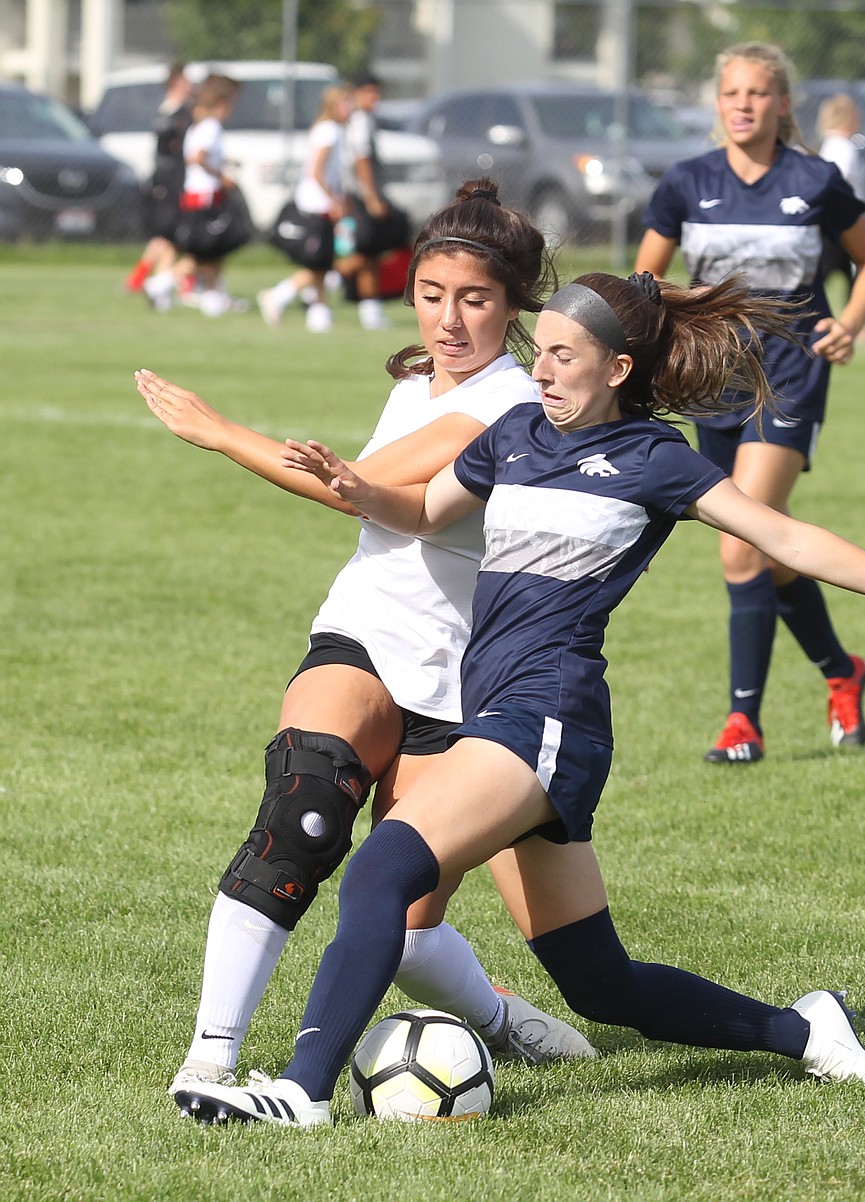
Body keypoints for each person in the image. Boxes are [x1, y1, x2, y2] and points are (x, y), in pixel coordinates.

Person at [173, 269, 865, 1126]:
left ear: (616, 370)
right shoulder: (514, 434)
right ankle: (805, 1032)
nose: (538, 372)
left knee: (382, 872)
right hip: (502, 721)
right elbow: (425, 510)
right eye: (540, 355)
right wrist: (357, 489)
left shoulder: (656, 460)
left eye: (562, 358)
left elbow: (785, 534)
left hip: (547, 717)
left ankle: (303, 1092)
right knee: (601, 985)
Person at [137, 179, 598, 1106]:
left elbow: (361, 486)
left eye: (474, 300)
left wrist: (220, 432)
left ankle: (500, 1020)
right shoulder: (415, 381)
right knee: (302, 816)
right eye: (432, 296)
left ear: (512, 306)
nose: (450, 320)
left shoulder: (508, 402)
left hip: (463, 676)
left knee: (409, 931)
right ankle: (212, 1058)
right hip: (364, 630)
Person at [633, 42, 865, 765]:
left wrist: (850, 322)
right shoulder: (687, 182)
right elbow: (644, 282)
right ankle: (843, 671)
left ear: (781, 104)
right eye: (731, 93)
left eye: (757, 93)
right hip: (713, 377)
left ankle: (742, 722)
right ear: (717, 104)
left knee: (741, 545)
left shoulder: (815, 179)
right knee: (770, 545)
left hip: (791, 372)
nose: (743, 104)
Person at [258, 85, 353, 333]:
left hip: (319, 202)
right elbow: (317, 171)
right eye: (345, 103)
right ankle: (278, 295)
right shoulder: (329, 131)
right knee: (318, 264)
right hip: (318, 204)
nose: (349, 109)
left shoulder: (327, 130)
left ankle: (319, 313)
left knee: (323, 262)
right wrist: (335, 200)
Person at [161, 73, 245, 318]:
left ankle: (214, 296)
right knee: (208, 251)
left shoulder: (198, 126)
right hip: (206, 197)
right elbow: (198, 157)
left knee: (213, 251)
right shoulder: (211, 127)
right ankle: (163, 284)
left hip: (197, 195)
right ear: (220, 104)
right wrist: (221, 176)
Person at [336, 70, 411, 332]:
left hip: (360, 197)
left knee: (369, 254)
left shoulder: (360, 119)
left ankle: (371, 310)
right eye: (369, 92)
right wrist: (372, 196)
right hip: (362, 198)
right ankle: (328, 276)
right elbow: (362, 160)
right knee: (373, 247)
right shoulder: (360, 121)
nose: (374, 98)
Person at [130, 62, 194, 308]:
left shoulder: (183, 111)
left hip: (177, 181)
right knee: (169, 236)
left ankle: (151, 285)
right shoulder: (169, 113)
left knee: (169, 238)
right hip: (168, 182)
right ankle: (155, 284)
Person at [816, 93, 865, 300]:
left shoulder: (828, 144)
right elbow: (839, 178)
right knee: (860, 266)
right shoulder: (844, 147)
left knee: (837, 270)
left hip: (833, 220)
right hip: (844, 221)